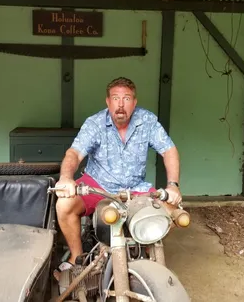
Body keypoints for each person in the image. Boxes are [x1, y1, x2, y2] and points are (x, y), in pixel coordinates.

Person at [53, 77, 182, 279]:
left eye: (126, 98)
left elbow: (169, 151)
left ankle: (145, 254)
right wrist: (65, 178)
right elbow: (74, 154)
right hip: (97, 185)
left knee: (172, 213)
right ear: (108, 101)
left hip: (135, 188)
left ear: (134, 102)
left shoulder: (147, 121)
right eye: (115, 98)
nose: (121, 105)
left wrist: (173, 185)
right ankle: (76, 258)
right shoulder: (95, 123)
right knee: (64, 205)